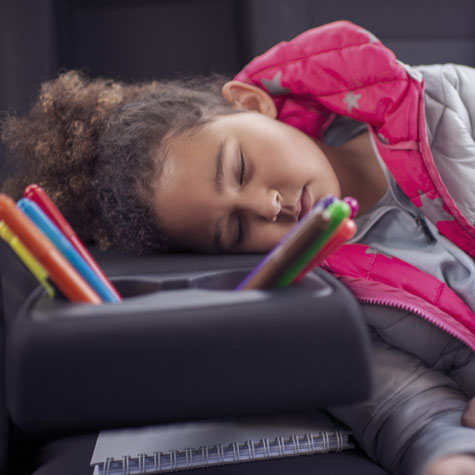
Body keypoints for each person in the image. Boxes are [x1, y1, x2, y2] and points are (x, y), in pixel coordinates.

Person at [2, 20, 475, 475]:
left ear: (251, 104)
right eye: (234, 230)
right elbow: (405, 408)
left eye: (241, 168)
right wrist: (445, 454)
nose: (268, 207)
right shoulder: (325, 302)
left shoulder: (443, 106)